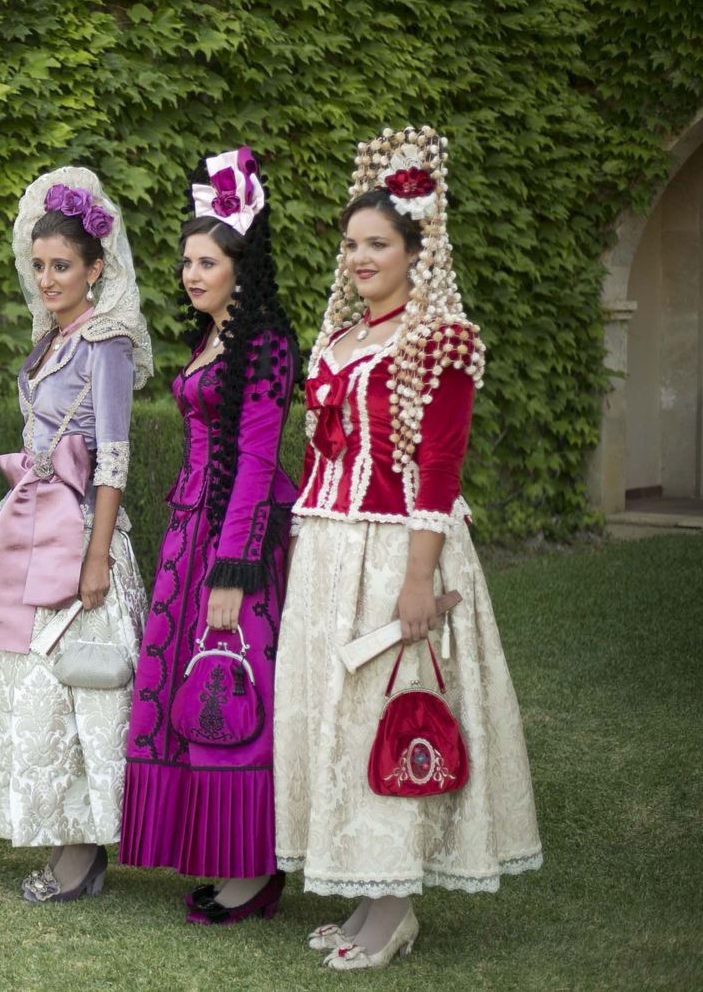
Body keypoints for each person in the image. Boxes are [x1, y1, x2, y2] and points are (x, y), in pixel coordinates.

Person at [273, 126, 542, 970]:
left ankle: (394, 907)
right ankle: (365, 890)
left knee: (381, 713)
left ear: (416, 251)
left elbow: (439, 462)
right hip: (326, 549)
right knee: (333, 717)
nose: (358, 257)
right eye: (351, 243)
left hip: (395, 552)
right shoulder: (343, 339)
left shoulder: (439, 340)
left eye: (377, 244)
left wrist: (419, 578)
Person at [119, 147, 299, 923]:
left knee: (232, 683)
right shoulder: (212, 341)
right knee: (186, 689)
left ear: (240, 266)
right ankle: (220, 855)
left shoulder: (263, 343)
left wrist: (234, 571)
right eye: (187, 260)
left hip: (236, 543)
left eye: (208, 261)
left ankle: (253, 869)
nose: (192, 274)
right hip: (192, 533)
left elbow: (258, 462)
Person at [0, 166, 152, 902]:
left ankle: (84, 850)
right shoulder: (53, 339)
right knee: (39, 687)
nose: (47, 278)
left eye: (62, 265)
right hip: (33, 525)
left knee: (80, 687)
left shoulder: (102, 341)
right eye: (39, 265)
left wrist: (98, 552)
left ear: (96, 269)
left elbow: (112, 454)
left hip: (76, 534)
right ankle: (65, 837)